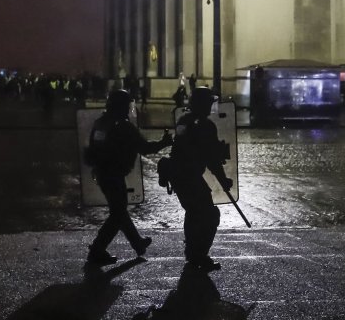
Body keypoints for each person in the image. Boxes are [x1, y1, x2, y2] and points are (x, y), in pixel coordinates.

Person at [85, 89, 172, 265]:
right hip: (114, 174)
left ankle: (137, 243)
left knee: (119, 211)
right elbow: (145, 148)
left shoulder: (101, 123)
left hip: (102, 173)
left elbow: (93, 147)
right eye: (127, 105)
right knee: (117, 213)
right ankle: (97, 250)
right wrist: (164, 142)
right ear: (122, 106)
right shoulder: (123, 126)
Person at [169, 86, 234, 271]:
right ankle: (200, 255)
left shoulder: (184, 120)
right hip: (189, 177)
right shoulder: (205, 125)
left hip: (179, 175)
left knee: (193, 213)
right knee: (210, 215)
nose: (211, 106)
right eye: (209, 103)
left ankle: (192, 253)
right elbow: (212, 158)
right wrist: (223, 180)